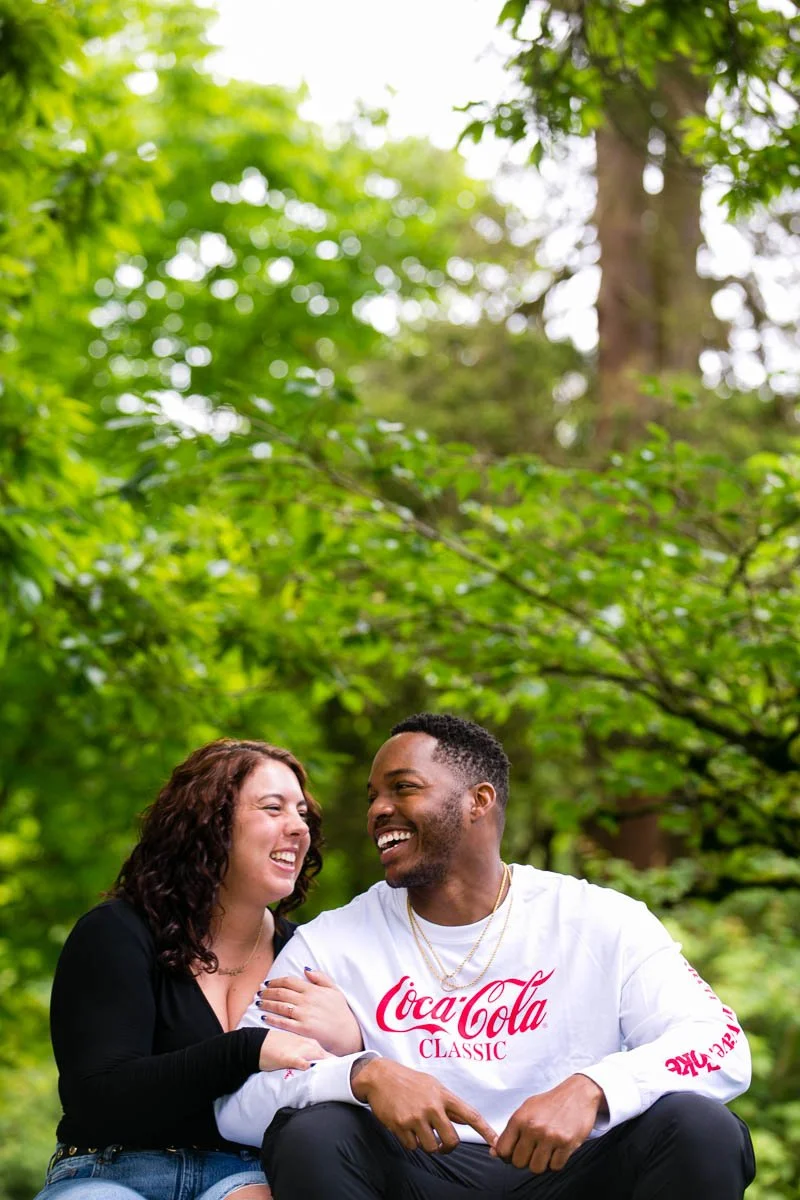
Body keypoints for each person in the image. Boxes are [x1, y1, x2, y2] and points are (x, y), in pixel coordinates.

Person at [216, 713, 756, 1199]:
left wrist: (596, 1088)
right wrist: (359, 1076)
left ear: (479, 800)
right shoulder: (331, 942)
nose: (379, 810)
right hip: (417, 1177)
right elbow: (238, 1102)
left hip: (578, 1171)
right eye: (372, 796)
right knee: (314, 1133)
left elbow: (721, 1043)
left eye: (403, 788)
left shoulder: (601, 919)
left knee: (701, 1126)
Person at [35, 738, 363, 1200]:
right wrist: (248, 1049)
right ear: (209, 823)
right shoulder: (117, 932)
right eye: (273, 809)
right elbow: (98, 1098)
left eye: (303, 813)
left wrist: (353, 1044)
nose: (298, 828)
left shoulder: (309, 952)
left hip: (249, 1176)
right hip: (114, 1172)